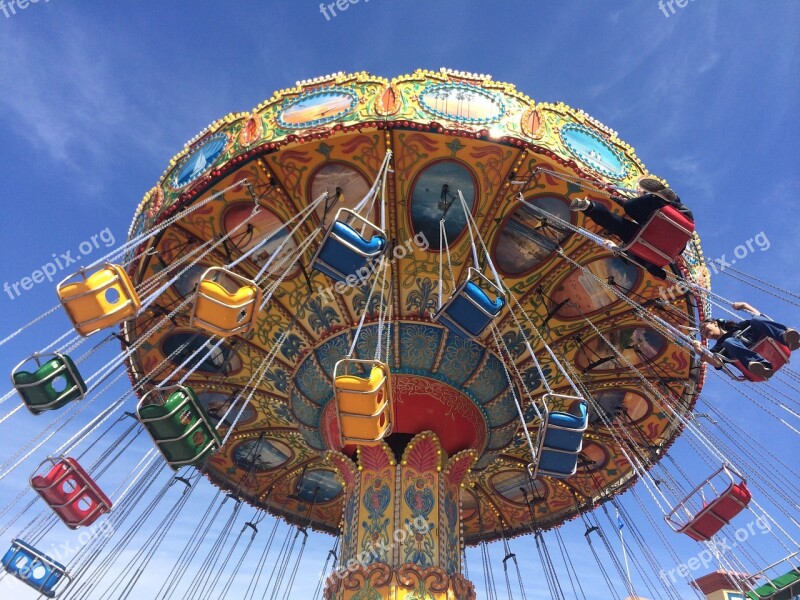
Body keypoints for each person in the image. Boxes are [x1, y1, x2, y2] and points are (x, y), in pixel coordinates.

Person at [569, 178, 694, 278]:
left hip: (662, 232)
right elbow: (650, 268)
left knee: (623, 216)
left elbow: (651, 269)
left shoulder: (665, 251)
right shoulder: (668, 253)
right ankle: (588, 207)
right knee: (625, 216)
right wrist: (615, 248)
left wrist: (615, 247)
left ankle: (589, 206)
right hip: (670, 228)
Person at [691, 302, 800, 379]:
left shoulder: (738, 326)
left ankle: (786, 338)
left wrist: (744, 306)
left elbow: (759, 317)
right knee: (728, 342)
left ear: (714, 323)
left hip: (762, 341)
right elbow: (717, 363)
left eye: (704, 326)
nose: (703, 331)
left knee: (756, 320)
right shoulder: (717, 348)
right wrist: (698, 350)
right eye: (701, 332)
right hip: (745, 355)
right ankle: (760, 366)